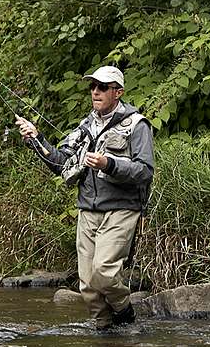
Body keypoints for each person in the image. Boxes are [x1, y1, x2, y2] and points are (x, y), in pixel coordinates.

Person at [15, 66, 154, 330]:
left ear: (118, 92)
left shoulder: (137, 125)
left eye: (102, 87)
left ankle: (126, 316)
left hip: (121, 208)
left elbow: (145, 172)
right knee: (88, 285)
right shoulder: (85, 126)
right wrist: (36, 138)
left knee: (105, 273)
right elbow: (61, 162)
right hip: (88, 209)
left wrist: (108, 164)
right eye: (93, 87)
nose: (95, 91)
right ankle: (105, 335)